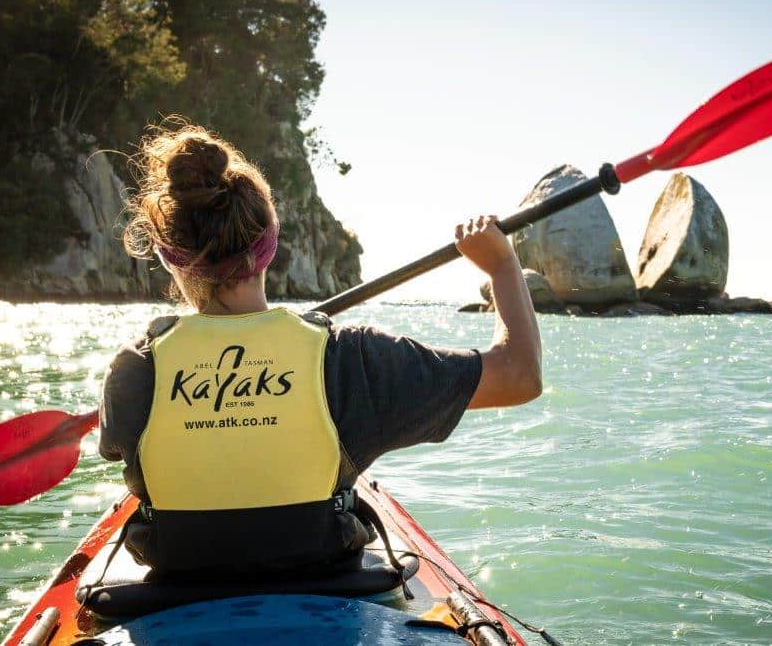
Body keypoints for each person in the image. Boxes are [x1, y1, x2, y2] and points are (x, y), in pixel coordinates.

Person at [98, 122, 541, 576]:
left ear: (169, 254)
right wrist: (502, 265)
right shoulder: (350, 359)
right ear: (270, 240)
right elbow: (520, 375)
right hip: (331, 594)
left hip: (174, 594)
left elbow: (123, 450)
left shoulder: (134, 370)